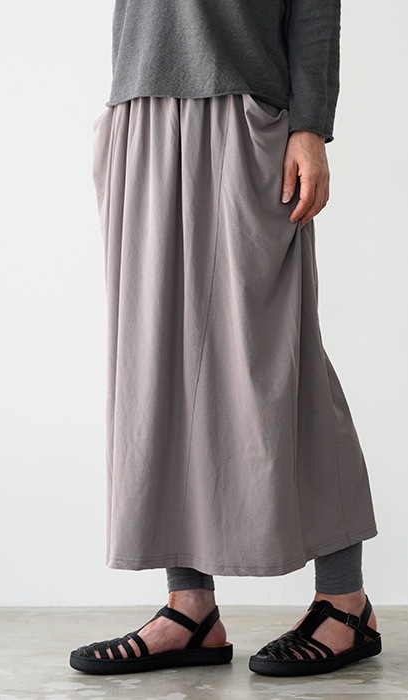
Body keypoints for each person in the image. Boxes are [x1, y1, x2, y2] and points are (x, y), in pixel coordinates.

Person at [70, 0, 380, 678]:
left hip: (242, 114)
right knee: (157, 366)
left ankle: (344, 600)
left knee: (277, 364)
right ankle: (191, 609)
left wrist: (310, 126)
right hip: (140, 116)